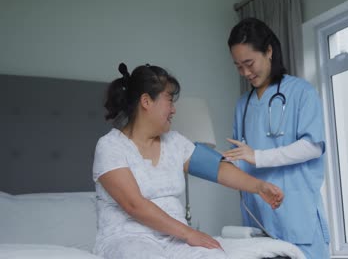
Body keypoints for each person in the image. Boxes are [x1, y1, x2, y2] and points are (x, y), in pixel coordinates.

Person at [92, 62, 284, 259]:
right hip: (128, 239)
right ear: (146, 101)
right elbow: (134, 204)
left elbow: (218, 169)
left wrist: (259, 186)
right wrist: (189, 233)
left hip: (174, 239)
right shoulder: (110, 146)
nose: (174, 110)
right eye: (169, 100)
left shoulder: (175, 142)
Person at [223, 17, 330, 259]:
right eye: (238, 66)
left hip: (297, 218)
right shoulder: (244, 104)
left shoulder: (302, 92)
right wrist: (223, 162)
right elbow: (241, 158)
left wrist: (258, 156)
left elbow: (312, 146)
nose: (245, 73)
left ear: (269, 51)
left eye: (249, 63)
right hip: (258, 220)